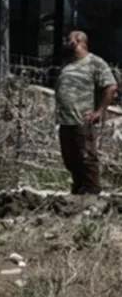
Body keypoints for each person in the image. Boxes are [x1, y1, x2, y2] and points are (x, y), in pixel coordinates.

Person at [55, 30, 117, 195]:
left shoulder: (95, 62)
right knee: (70, 158)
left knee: (86, 157)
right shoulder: (67, 64)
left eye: (68, 39)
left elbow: (111, 87)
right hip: (66, 120)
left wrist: (98, 112)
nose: (65, 43)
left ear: (79, 40)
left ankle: (91, 193)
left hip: (83, 120)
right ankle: (78, 189)